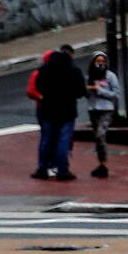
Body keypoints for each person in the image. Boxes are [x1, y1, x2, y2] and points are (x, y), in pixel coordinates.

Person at [27, 44, 87, 181]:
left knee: (46, 140)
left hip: (48, 109)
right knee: (63, 141)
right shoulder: (74, 70)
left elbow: (38, 87)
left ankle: (42, 169)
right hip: (67, 111)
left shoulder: (44, 70)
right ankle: (62, 170)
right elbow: (80, 92)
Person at [83, 50, 123, 179]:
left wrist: (99, 90)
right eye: (98, 61)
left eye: (102, 61)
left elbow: (116, 94)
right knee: (98, 138)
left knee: (101, 134)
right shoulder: (89, 77)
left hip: (106, 110)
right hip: (93, 109)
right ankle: (102, 164)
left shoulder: (110, 76)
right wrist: (87, 90)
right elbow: (86, 94)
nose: (100, 64)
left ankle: (104, 164)